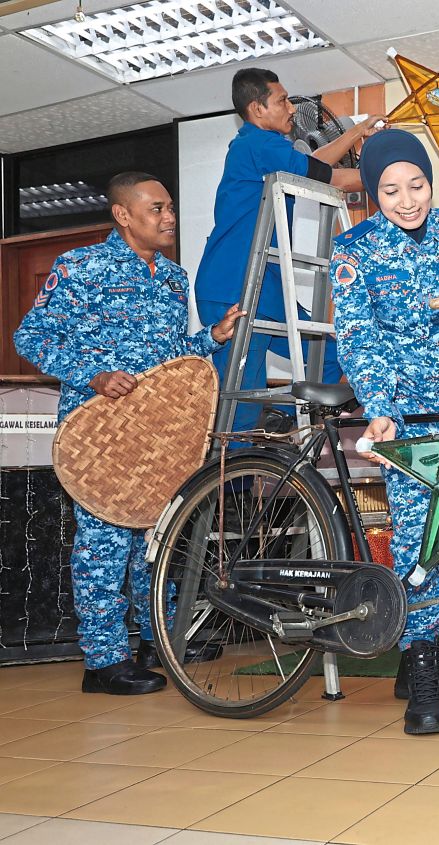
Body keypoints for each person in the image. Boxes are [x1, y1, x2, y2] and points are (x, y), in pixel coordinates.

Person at [14, 172, 245, 695]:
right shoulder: (82, 267)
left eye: (169, 208)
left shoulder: (172, 277)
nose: (169, 218)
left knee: (154, 538)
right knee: (103, 544)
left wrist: (210, 337)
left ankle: (155, 637)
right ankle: (103, 662)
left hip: (157, 432)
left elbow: (166, 355)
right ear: (123, 215)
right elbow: (30, 335)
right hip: (101, 433)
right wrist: (91, 373)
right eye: (157, 209)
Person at [330, 129, 439, 735]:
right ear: (373, 193)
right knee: (418, 547)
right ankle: (423, 671)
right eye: (390, 190)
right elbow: (357, 335)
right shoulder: (354, 250)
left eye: (417, 184)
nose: (407, 200)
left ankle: (423, 652)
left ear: (431, 181)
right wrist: (377, 404)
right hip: (401, 417)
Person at [196, 67, 381, 434]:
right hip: (233, 285)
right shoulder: (255, 144)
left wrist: (358, 132)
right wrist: (396, 174)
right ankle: (234, 487)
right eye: (281, 100)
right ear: (257, 108)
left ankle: (309, 441)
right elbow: (334, 178)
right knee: (241, 406)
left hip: (266, 281)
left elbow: (316, 164)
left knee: (330, 357)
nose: (292, 109)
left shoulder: (269, 148)